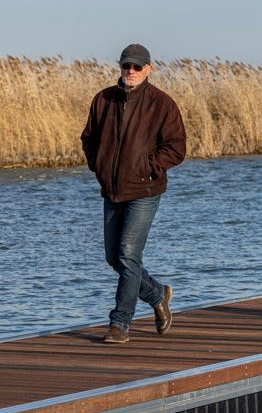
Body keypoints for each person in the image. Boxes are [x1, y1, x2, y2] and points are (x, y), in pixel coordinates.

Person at [80, 43, 187, 344]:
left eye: (137, 67)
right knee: (114, 258)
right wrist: (98, 166)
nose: (131, 71)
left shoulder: (161, 104)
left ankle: (119, 324)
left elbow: (176, 147)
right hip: (112, 189)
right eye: (126, 65)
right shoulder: (103, 99)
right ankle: (157, 294)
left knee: (128, 254)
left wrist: (149, 166)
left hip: (144, 188)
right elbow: (88, 138)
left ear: (148, 69)